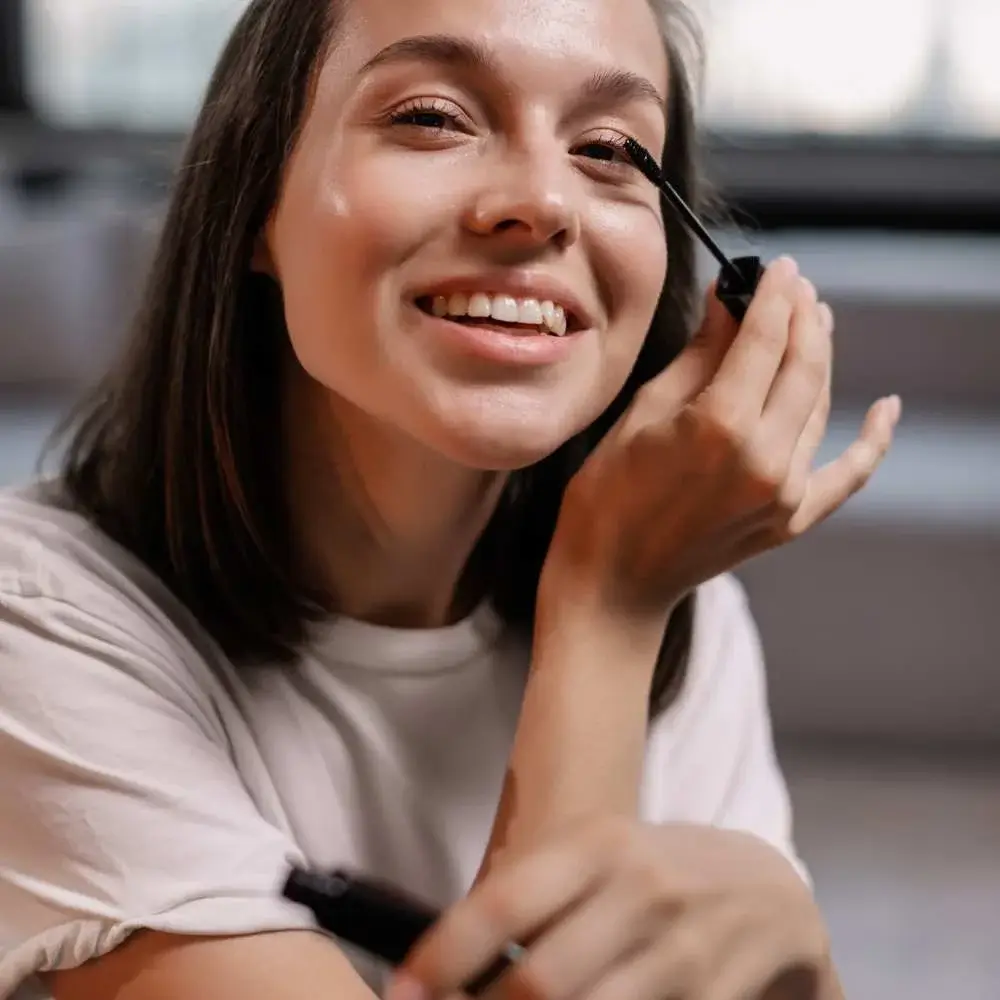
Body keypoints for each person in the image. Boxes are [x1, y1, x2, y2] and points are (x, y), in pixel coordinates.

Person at [0, 0, 901, 997]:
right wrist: (604, 610)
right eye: (431, 117)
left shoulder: (684, 605)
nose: (540, 204)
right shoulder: (30, 626)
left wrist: (801, 962)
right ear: (254, 202)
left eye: (608, 149)